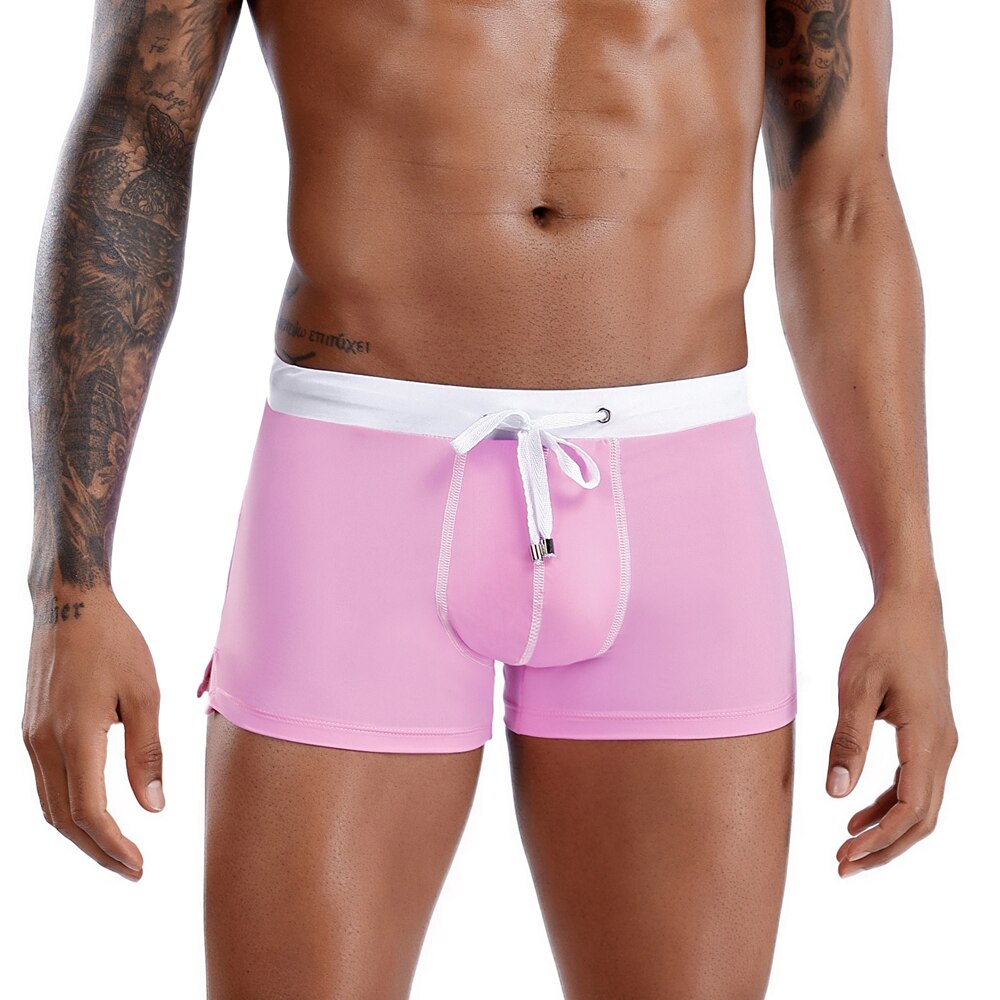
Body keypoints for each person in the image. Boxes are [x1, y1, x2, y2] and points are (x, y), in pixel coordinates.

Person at [22, 0, 958, 996]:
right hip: (358, 492)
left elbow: (841, 190)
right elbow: (138, 129)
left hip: (680, 493)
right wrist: (69, 587)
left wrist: (907, 579)